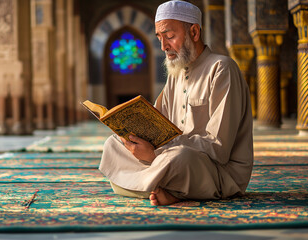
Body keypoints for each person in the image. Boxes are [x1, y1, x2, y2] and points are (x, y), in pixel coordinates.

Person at [99, 0, 253, 206]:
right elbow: (155, 124)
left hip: (216, 170)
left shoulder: (222, 69)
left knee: (180, 158)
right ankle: (171, 190)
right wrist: (132, 136)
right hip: (169, 158)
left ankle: (150, 184)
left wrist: (157, 153)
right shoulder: (176, 73)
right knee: (113, 145)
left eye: (170, 36)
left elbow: (219, 149)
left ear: (194, 32)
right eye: (160, 38)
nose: (164, 46)